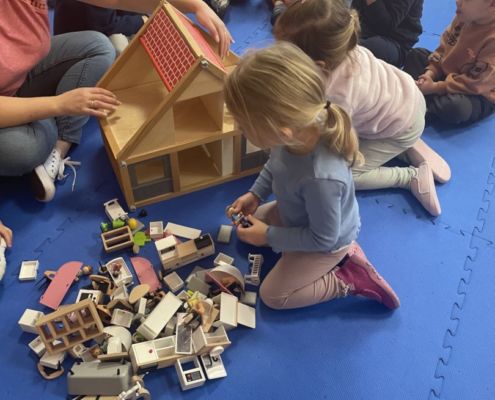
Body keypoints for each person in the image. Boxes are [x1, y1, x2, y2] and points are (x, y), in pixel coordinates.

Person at [225, 41, 400, 310]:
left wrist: (269, 236)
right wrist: (256, 194)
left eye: (243, 125)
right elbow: (276, 164)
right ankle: (282, 242)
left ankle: (347, 278)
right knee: (246, 227)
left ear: (281, 131)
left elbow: (323, 238)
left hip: (327, 243)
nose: (238, 128)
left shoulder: (322, 179)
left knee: (273, 297)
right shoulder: (296, 129)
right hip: (297, 213)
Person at [0, 0, 233, 202]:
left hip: (21, 77)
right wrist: (57, 104)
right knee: (28, 148)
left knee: (100, 46)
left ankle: (60, 142)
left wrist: (195, 5)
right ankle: (48, 127)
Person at [274, 0, 450, 217]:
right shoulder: (342, 49)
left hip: (401, 122)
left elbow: (329, 142)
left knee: (343, 175)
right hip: (404, 99)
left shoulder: (338, 93)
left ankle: (409, 177)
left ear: (317, 64)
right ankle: (400, 147)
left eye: (286, 53)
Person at [403, 0, 495, 125]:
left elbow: (476, 83)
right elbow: (443, 49)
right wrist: (430, 73)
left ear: (492, 5)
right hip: (449, 73)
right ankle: (422, 93)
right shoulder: (464, 15)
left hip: (476, 91)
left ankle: (425, 103)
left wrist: (435, 87)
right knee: (416, 55)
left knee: (457, 107)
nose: (458, 2)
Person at [54, 0, 148, 55]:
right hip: (74, 50)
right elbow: (107, 26)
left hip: (96, 31)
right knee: (119, 44)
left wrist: (143, 18)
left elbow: (124, 7)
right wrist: (142, 20)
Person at [351, 0, 424, 68]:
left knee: (357, 49)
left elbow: (386, 25)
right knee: (347, 40)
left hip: (395, 42)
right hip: (366, 31)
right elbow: (355, 13)